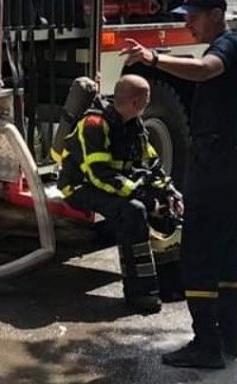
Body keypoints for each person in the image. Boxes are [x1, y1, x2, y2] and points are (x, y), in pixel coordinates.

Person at [121, 0, 237, 369]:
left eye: (193, 16)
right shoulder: (230, 45)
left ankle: (206, 344)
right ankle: (233, 335)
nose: (187, 23)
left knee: (197, 250)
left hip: (216, 159)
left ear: (216, 14)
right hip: (226, 157)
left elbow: (204, 70)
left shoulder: (227, 47)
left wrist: (153, 58)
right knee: (227, 250)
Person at [56, 74, 183, 315]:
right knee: (133, 211)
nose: (149, 101)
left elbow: (152, 162)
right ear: (136, 101)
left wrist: (168, 191)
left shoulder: (134, 124)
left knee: (167, 210)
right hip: (80, 187)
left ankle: (171, 284)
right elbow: (99, 175)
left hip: (110, 185)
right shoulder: (94, 125)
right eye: (147, 98)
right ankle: (139, 293)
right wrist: (144, 197)